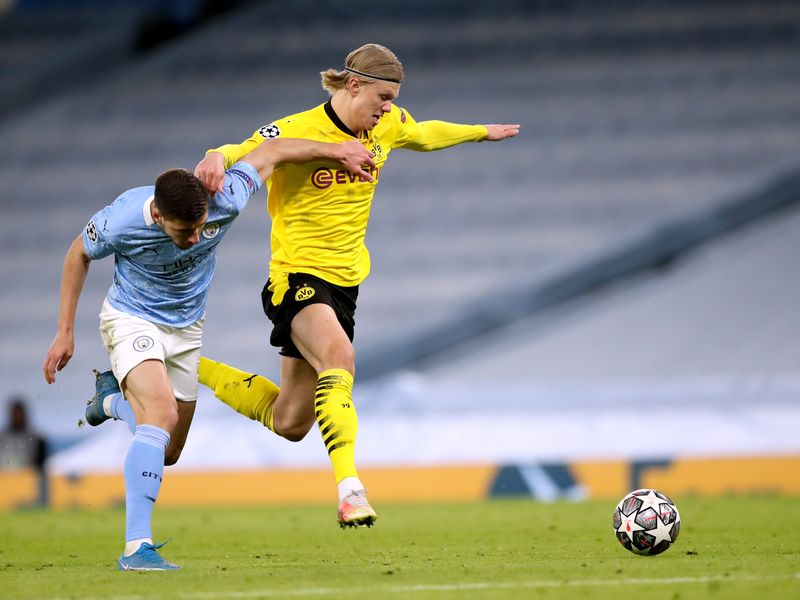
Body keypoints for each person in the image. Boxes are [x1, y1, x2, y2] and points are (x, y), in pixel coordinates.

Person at [192, 43, 520, 529]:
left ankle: (179, 359)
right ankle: (351, 491)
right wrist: (214, 155)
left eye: (393, 100)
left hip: (346, 285)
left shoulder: (384, 126)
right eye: (382, 97)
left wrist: (480, 132)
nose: (388, 108)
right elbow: (243, 149)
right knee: (340, 358)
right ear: (353, 85)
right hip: (297, 277)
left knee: (290, 422)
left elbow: (425, 134)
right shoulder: (298, 128)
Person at [42, 138, 375, 571]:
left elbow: (272, 153)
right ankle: (136, 547)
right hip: (131, 318)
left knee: (167, 450)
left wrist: (336, 153)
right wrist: (64, 331)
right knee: (160, 415)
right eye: (186, 231)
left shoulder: (224, 199)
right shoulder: (122, 219)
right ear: (158, 216)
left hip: (186, 329)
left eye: (201, 227)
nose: (197, 237)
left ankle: (109, 401)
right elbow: (77, 254)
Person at [0, 397, 49, 506]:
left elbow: (42, 466)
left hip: (29, 482)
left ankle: (42, 504)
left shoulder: (37, 438)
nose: (17, 418)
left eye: (19, 414)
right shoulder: (2, 438)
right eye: (14, 414)